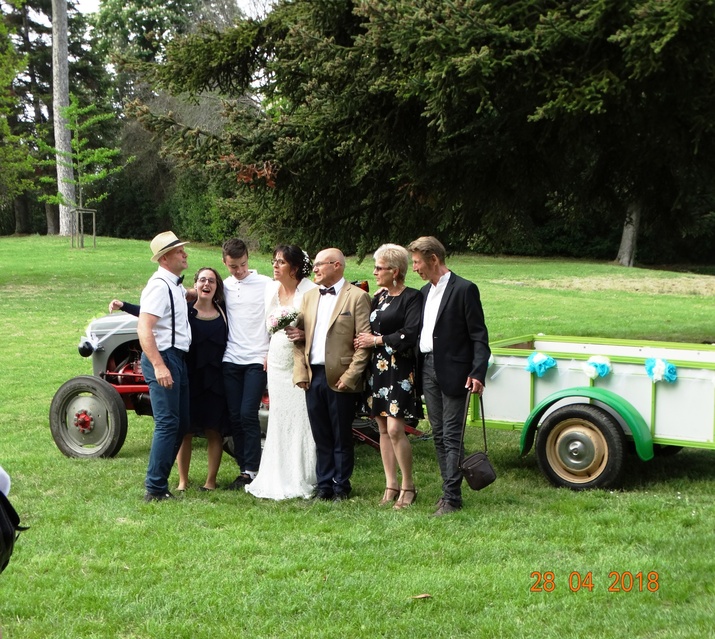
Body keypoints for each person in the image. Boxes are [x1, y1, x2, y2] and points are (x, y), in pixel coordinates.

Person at [109, 268, 229, 492]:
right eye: (202, 280)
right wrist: (124, 306)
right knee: (175, 426)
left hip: (203, 373)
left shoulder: (182, 292)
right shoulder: (171, 295)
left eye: (211, 281)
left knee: (187, 425)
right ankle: (164, 484)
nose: (206, 284)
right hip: (179, 365)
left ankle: (161, 484)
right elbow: (147, 317)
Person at [407, 236, 490, 517]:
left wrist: (478, 372)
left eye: (417, 262)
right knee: (439, 434)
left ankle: (451, 499)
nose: (415, 268)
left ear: (433, 259)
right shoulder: (423, 292)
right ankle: (449, 492)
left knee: (452, 435)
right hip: (428, 368)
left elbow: (479, 336)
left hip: (456, 371)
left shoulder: (464, 289)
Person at [293, 248, 371, 501]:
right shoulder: (309, 297)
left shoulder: (357, 297)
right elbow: (298, 338)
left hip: (340, 376)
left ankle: (341, 486)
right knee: (321, 434)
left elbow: (363, 343)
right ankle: (324, 485)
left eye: (319, 265)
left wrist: (350, 376)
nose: (314, 269)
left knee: (341, 434)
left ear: (336, 265)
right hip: (313, 374)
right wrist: (300, 371)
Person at [246, 245, 318, 500]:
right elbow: (266, 326)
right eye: (274, 261)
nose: (275, 266)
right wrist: (265, 353)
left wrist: (304, 334)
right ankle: (276, 471)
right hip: (275, 360)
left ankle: (303, 473)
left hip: (299, 359)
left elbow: (320, 327)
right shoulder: (270, 289)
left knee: (300, 416)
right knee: (278, 415)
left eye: (281, 262)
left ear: (295, 268)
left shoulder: (310, 290)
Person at [355, 244, 423, 509]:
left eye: (379, 268)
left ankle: (408, 485)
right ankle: (390, 484)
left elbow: (410, 332)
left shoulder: (412, 297)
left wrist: (377, 339)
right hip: (377, 369)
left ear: (395, 271)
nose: (374, 273)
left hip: (399, 368)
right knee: (382, 428)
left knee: (396, 428)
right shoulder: (379, 297)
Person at [138, 231, 191, 502]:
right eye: (180, 251)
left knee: (181, 424)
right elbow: (144, 328)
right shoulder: (159, 286)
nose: (185, 253)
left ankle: (159, 485)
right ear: (166, 258)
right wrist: (159, 366)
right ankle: (155, 488)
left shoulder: (174, 285)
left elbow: (185, 297)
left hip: (176, 357)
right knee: (168, 423)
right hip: (164, 358)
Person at [221, 238, 272, 489]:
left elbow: (279, 315)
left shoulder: (266, 284)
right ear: (225, 263)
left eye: (242, 265)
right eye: (233, 267)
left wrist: (270, 351)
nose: (238, 271)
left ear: (248, 259)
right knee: (234, 417)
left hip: (257, 358)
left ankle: (253, 468)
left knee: (247, 414)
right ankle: (244, 469)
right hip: (231, 358)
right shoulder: (224, 286)